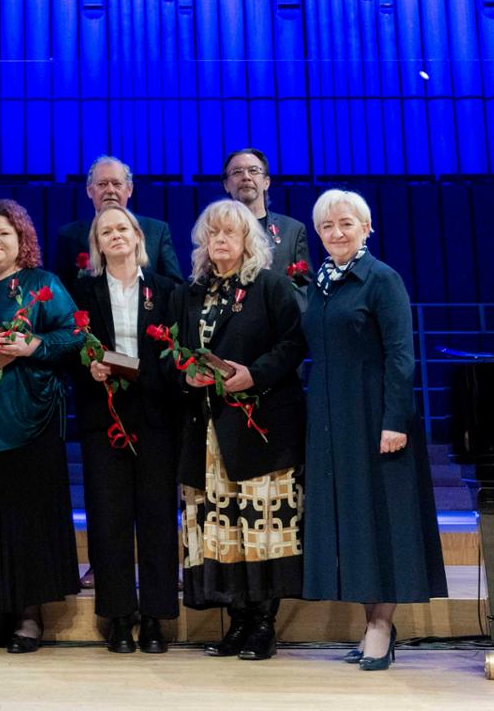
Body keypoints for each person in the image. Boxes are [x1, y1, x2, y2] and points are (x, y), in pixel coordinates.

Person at [300, 189, 447, 671]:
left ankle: (382, 626)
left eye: (346, 224)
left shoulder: (382, 279)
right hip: (333, 423)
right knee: (358, 526)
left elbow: (402, 357)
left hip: (376, 419)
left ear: (367, 228)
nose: (336, 233)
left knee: (385, 524)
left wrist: (394, 421)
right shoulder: (321, 283)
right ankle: (371, 625)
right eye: (327, 226)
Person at [169, 199, 308, 662]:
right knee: (222, 529)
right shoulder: (190, 293)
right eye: (213, 234)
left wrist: (256, 373)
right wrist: (184, 373)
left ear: (249, 240)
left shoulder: (270, 286)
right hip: (207, 429)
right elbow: (176, 352)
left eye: (230, 233)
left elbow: (294, 343)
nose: (221, 240)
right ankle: (238, 622)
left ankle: (263, 624)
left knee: (260, 529)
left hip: (260, 428)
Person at [0, 199, 81, 654]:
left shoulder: (41, 283)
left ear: (21, 240)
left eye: (4, 233)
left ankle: (28, 615)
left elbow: (76, 334)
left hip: (30, 418)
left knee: (28, 518)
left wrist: (33, 345)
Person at [67, 205, 184, 655]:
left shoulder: (168, 290)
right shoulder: (82, 292)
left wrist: (143, 375)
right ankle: (117, 616)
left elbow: (176, 354)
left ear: (139, 236)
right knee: (108, 519)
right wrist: (89, 367)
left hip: (156, 416)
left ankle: (156, 617)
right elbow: (71, 351)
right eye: (105, 231)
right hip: (104, 418)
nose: (115, 235)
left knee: (156, 517)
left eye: (122, 228)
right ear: (96, 243)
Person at [51, 157, 183, 284]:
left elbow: (175, 287)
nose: (110, 190)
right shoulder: (68, 235)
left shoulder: (157, 231)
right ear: (89, 190)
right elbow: (60, 294)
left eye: (117, 184)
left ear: (129, 189)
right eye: (102, 184)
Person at [221, 148, 309, 271]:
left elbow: (304, 286)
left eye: (253, 171)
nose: (246, 177)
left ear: (266, 182)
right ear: (226, 185)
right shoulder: (213, 231)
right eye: (237, 172)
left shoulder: (292, 230)